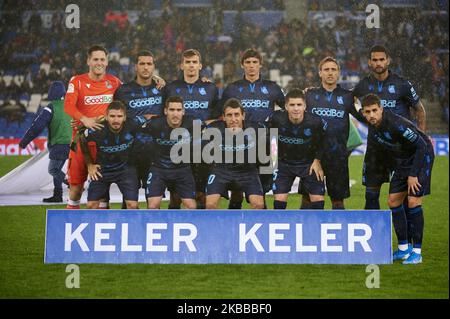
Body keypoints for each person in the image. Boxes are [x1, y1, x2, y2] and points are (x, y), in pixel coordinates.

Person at [361, 93, 434, 264]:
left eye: (374, 110)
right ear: (363, 113)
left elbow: (422, 145)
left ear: (381, 109)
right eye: (368, 112)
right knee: (393, 201)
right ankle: (403, 248)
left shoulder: (395, 123)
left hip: (421, 157)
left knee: (414, 202)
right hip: (404, 161)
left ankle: (417, 252)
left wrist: (413, 174)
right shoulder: (373, 125)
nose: (372, 115)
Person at [353, 45, 427, 210]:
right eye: (375, 60)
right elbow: (348, 99)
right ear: (369, 62)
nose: (378, 63)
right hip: (376, 149)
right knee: (371, 195)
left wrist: (420, 136)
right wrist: (362, 116)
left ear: (388, 61)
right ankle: (374, 235)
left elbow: (419, 110)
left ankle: (406, 235)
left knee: (407, 197)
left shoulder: (402, 84)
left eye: (381, 59)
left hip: (401, 150)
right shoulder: (363, 85)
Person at [221, 48, 285, 209]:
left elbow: (288, 110)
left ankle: (262, 225)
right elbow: (220, 115)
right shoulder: (232, 89)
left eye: (255, 62)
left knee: (261, 191)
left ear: (260, 65)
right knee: (236, 190)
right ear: (242, 65)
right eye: (248, 62)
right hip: (238, 145)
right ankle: (232, 227)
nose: (251, 66)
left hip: (266, 144)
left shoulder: (272, 88)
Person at [300, 56, 366, 209]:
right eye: (326, 69)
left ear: (338, 73)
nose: (330, 73)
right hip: (312, 156)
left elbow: (364, 117)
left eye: (333, 70)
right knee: (308, 198)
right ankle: (306, 232)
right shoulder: (309, 96)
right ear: (320, 73)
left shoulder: (348, 97)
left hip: (338, 157)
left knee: (337, 201)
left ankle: (338, 232)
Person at [64, 45, 122, 209]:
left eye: (102, 59)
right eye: (95, 59)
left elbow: (131, 93)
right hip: (81, 144)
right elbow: (68, 106)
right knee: (76, 189)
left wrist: (154, 78)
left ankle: (101, 231)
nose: (99, 63)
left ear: (107, 62)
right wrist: (84, 119)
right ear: (88, 61)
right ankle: (69, 228)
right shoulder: (77, 81)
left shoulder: (114, 82)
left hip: (104, 145)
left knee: (102, 194)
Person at [163, 49, 220, 209]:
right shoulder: (171, 88)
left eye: (194, 62)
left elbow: (218, 117)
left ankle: (202, 229)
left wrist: (202, 126)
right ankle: (171, 228)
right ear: (181, 65)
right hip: (177, 148)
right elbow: (164, 114)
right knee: (175, 196)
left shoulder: (210, 88)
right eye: (187, 62)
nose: (191, 65)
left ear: (200, 65)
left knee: (202, 195)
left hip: (203, 150)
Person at [114, 50, 165, 207]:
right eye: (142, 64)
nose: (145, 67)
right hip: (131, 155)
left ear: (153, 67)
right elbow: (117, 121)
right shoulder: (123, 91)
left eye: (149, 64)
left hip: (155, 154)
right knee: (129, 203)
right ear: (135, 66)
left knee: (154, 203)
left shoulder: (163, 89)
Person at [268, 88, 327, 209]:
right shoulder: (276, 119)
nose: (296, 108)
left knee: (318, 202)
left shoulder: (315, 121)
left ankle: (314, 226)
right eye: (292, 105)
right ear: (286, 106)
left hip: (309, 164)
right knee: (279, 202)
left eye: (299, 105)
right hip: (284, 164)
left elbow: (324, 142)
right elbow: (270, 140)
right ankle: (280, 226)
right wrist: (273, 163)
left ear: (305, 106)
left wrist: (317, 161)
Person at [79, 101, 142, 209]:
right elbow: (81, 139)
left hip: (126, 170)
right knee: (91, 205)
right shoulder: (97, 129)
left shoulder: (133, 123)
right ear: (106, 117)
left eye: (119, 116)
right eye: (112, 116)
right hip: (102, 170)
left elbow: (149, 117)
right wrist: (90, 165)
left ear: (125, 117)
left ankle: (133, 225)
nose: (116, 120)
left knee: (132, 205)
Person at [205, 98, 265, 210]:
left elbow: (272, 144)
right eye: (229, 115)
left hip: (248, 171)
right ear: (223, 117)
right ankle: (215, 227)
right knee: (210, 205)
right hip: (221, 170)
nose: (233, 119)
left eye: (236, 115)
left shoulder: (256, 129)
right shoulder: (213, 128)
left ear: (243, 116)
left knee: (259, 205)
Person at [19, 81, 71, 203]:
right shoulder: (70, 105)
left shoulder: (51, 107)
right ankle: (60, 193)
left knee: (53, 169)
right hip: (73, 144)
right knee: (56, 168)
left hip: (59, 143)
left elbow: (37, 126)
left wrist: (25, 141)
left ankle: (69, 185)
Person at [141, 96, 197, 209]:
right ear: (165, 111)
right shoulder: (154, 124)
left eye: (178, 110)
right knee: (152, 206)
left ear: (183, 111)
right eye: (172, 110)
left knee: (191, 206)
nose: (175, 114)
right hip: (159, 169)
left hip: (182, 169)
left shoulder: (193, 123)